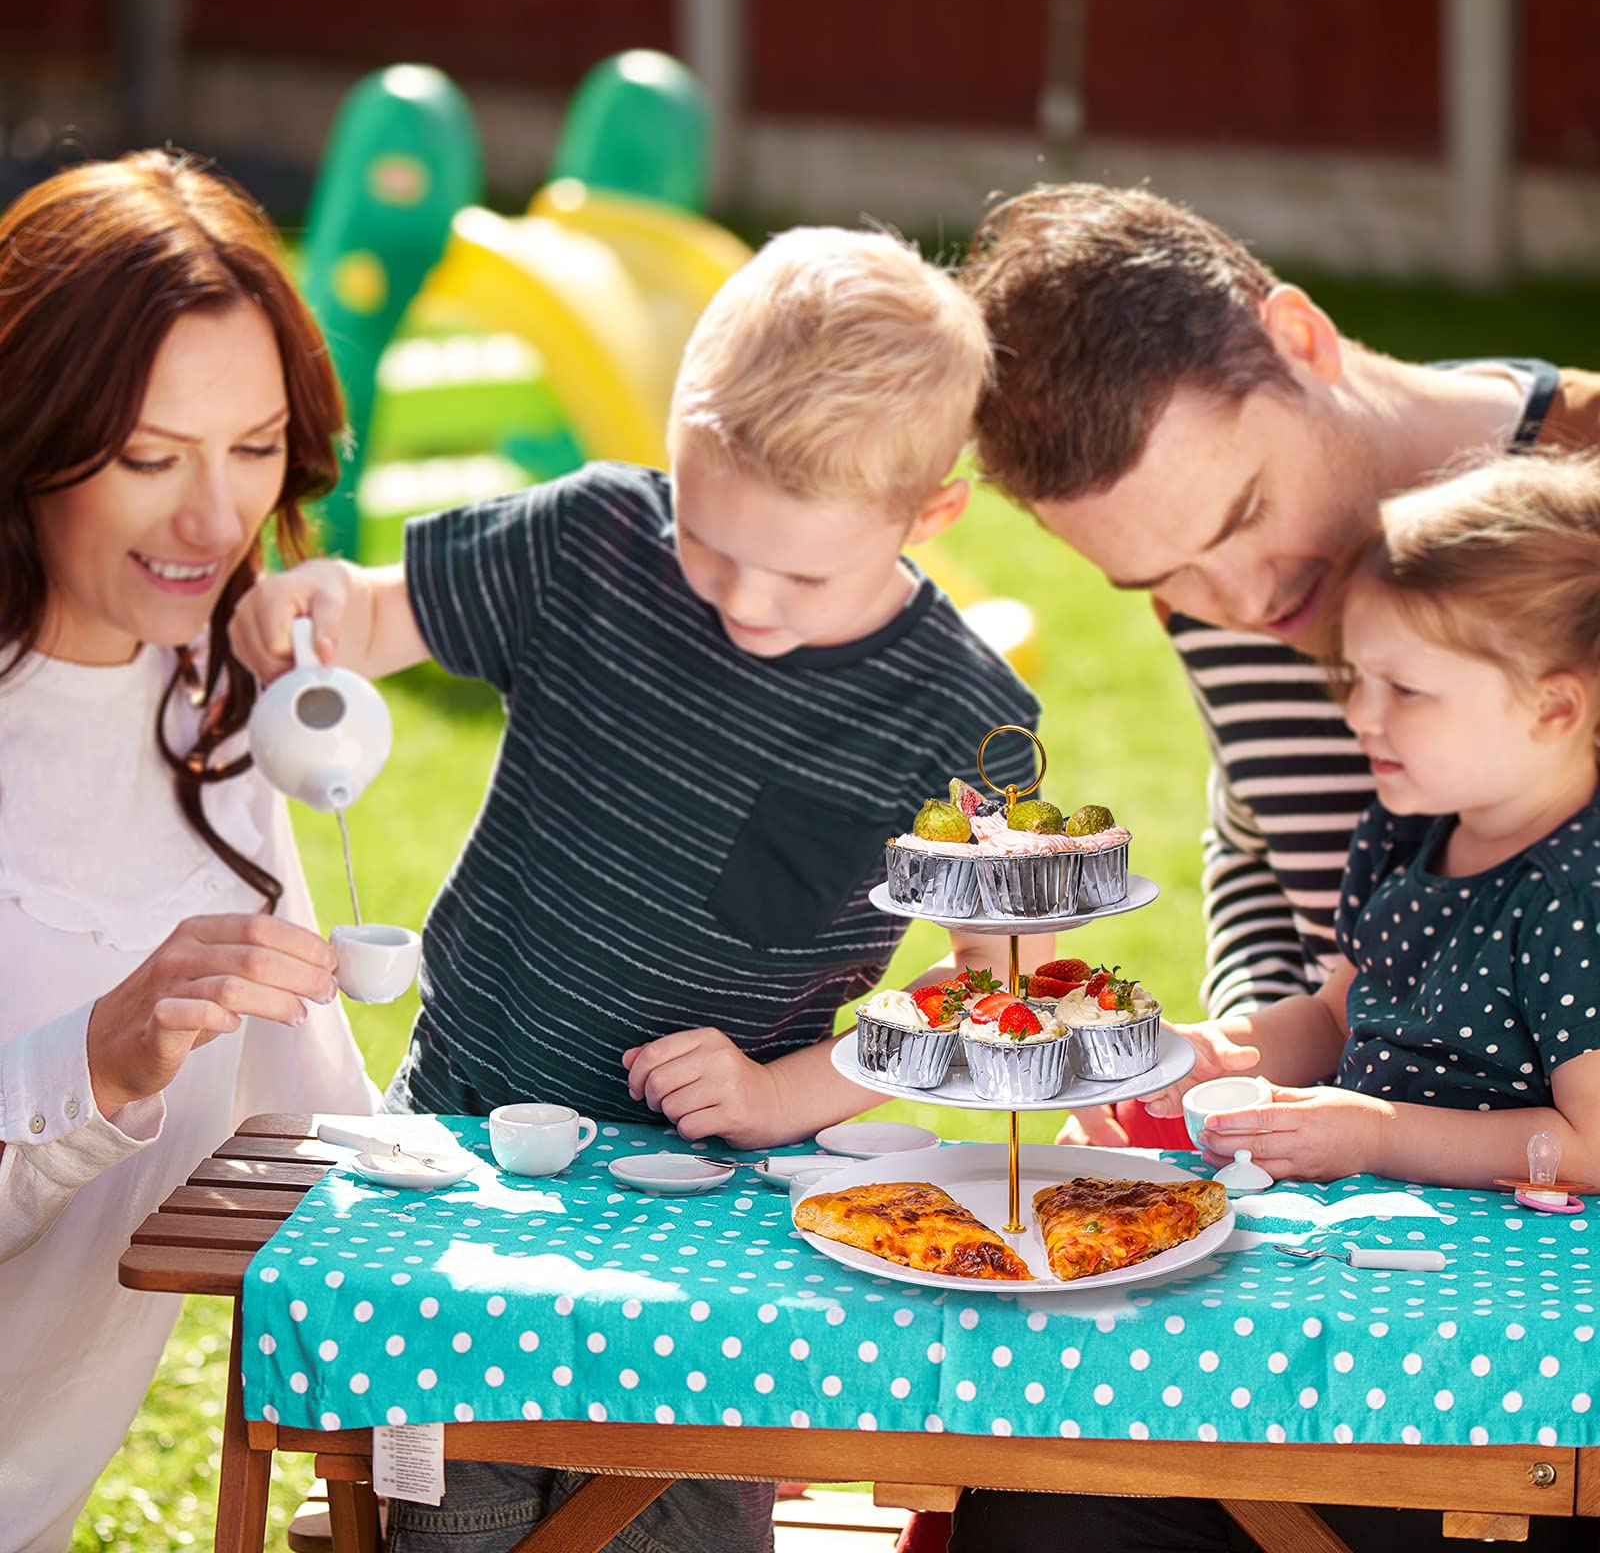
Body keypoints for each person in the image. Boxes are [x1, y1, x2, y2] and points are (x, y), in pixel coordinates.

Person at [231, 226, 1051, 1552]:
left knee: (671, 1521)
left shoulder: (961, 718)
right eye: (712, 545)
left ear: (931, 514)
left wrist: (785, 1094)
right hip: (467, 1138)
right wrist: (321, 608)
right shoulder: (594, 538)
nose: (746, 602)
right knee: (449, 1512)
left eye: (802, 573)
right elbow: (380, 617)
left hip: (717, 1205)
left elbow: (990, 997)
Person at [951, 454, 1600, 1553]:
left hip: (1487, 1377)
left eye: (1405, 690)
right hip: (1361, 1278)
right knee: (1035, 1464)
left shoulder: (1577, 895)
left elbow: (1588, 1144)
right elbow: (1342, 1013)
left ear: (1554, 706)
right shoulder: (1412, 828)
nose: (1359, 714)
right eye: (1356, 676)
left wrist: (1373, 1132)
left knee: (1063, 1504)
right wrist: (1211, 1049)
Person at [961, 183, 1600, 1065]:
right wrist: (1224, 1078)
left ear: (1302, 340)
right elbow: (1260, 848)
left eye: (1247, 513)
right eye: (1160, 576)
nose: (1246, 605)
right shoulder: (1209, 584)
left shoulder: (1580, 514)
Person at [0, 151, 375, 1553]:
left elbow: (315, 1135)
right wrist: (94, 1060)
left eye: (255, 447)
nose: (217, 523)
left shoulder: (221, 720)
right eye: (152, 458)